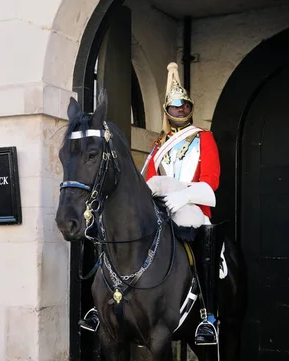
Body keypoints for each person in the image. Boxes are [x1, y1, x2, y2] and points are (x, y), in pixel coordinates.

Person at [79, 63, 226, 344]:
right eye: (174, 105)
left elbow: (211, 184)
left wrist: (183, 195)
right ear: (166, 110)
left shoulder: (203, 139)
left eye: (184, 105)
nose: (180, 109)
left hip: (190, 208)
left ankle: (207, 317)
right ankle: (97, 307)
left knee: (204, 243)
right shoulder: (159, 146)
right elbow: (147, 183)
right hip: (159, 208)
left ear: (190, 107)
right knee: (110, 234)